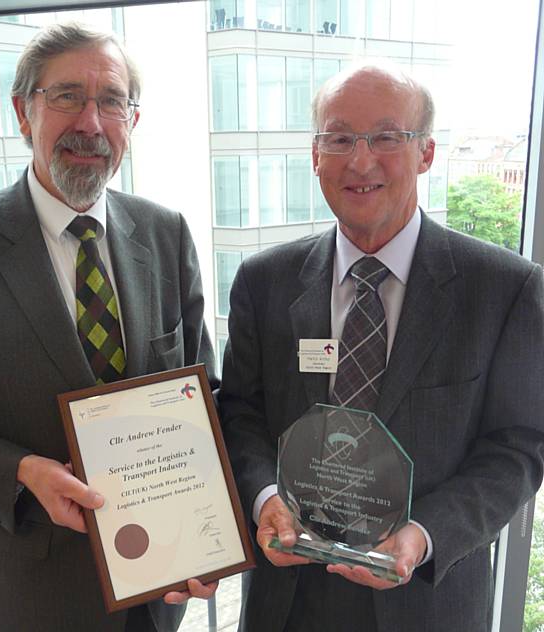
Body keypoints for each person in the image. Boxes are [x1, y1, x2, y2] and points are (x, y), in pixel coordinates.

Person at [0, 22, 217, 632]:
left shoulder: (167, 233)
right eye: (68, 96)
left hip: (159, 590)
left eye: (111, 101)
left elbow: (205, 395)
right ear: (24, 112)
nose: (91, 124)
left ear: (132, 119)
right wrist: (20, 473)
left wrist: (208, 531)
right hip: (33, 595)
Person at [218, 62, 544, 632]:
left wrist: (422, 537)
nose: (361, 160)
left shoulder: (504, 289)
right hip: (287, 600)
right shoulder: (263, 281)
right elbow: (240, 414)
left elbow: (516, 449)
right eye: (340, 138)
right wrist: (263, 496)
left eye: (387, 137)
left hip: (426, 600)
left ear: (426, 153)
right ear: (316, 154)